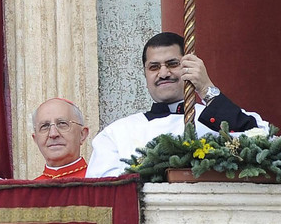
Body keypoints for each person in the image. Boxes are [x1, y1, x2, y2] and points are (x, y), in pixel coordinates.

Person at [87, 32, 269, 178]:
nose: (164, 73)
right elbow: (102, 191)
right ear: (145, 74)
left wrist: (207, 88)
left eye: (173, 64)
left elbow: (263, 140)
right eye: (154, 67)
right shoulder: (116, 133)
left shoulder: (219, 116)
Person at [30, 98, 89, 179]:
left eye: (62, 123)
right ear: (35, 139)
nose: (53, 134)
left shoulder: (100, 185)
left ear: (82, 134)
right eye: (45, 126)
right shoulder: (30, 190)